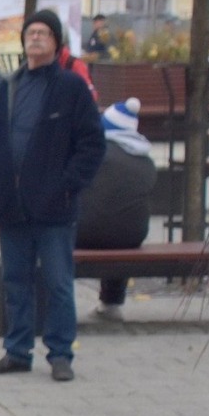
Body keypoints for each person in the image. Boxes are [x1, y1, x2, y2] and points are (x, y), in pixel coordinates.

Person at [0, 10, 107, 382]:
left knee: (57, 283)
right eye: (31, 32)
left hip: (54, 208)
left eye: (44, 33)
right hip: (11, 207)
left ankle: (60, 353)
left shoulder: (70, 87)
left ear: (56, 42)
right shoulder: (7, 86)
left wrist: (67, 185)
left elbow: (92, 144)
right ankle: (17, 351)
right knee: (15, 282)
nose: (35, 38)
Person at [78, 99, 158, 323]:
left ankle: (50, 304)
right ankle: (112, 302)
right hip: (131, 237)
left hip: (84, 234)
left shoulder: (93, 155)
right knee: (121, 223)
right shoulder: (146, 161)